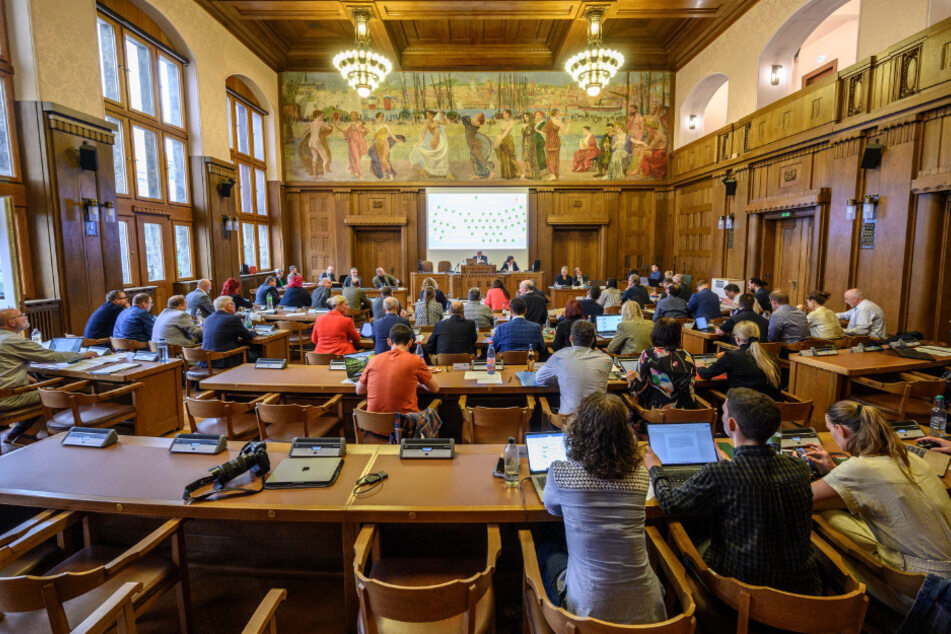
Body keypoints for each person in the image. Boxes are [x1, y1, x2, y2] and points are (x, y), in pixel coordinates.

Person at [643, 388, 822, 595]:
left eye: (725, 412)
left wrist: (655, 467)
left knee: (686, 527)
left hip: (740, 587)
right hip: (802, 587)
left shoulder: (721, 474)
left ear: (731, 425)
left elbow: (669, 503)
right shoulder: (798, 467)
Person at [539, 391, 667, 624]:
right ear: (626, 432)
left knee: (546, 545)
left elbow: (552, 509)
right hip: (648, 608)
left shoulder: (561, 473)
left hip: (587, 610)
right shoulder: (640, 475)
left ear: (579, 430)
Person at [806, 401, 951, 602]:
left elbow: (805, 497)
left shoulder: (860, 468)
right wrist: (833, 472)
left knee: (819, 520)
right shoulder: (907, 455)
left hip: (922, 587)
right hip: (943, 573)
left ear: (840, 430)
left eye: (830, 430)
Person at [0, 308, 95, 444]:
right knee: (55, 394)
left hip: (5, 394)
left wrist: (24, 375)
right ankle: (29, 435)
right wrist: (83, 355)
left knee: (40, 387)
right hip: (8, 399)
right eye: (21, 315)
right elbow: (51, 356)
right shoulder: (14, 340)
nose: (25, 317)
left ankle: (16, 433)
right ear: (12, 322)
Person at [357, 323, 438, 416]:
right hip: (404, 426)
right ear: (410, 342)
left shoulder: (374, 360)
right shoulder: (416, 361)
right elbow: (435, 388)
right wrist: (419, 383)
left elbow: (359, 391)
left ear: (389, 342)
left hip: (372, 427)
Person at [536, 321, 612, 415]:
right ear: (592, 340)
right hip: (597, 421)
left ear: (571, 338)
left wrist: (561, 377)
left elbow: (539, 378)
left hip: (569, 423)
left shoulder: (559, 357)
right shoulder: (607, 360)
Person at [698, 321, 781, 399]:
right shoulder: (772, 357)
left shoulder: (731, 357)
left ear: (737, 339)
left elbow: (706, 374)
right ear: (758, 337)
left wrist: (700, 366)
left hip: (742, 409)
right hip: (772, 410)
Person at [627, 318, 696, 410]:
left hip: (656, 417)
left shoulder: (648, 355)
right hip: (688, 416)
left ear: (655, 333)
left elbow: (637, 390)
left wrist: (630, 381)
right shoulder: (688, 356)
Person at [201, 296, 256, 369]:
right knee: (256, 355)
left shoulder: (208, 318)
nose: (235, 306)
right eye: (233, 304)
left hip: (206, 360)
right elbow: (248, 336)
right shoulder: (232, 318)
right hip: (223, 359)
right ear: (227, 306)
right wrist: (254, 332)